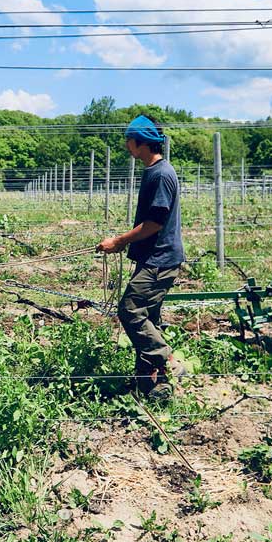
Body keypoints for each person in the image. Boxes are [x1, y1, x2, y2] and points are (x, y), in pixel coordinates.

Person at [97, 115, 186, 398]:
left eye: (129, 140)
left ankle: (168, 361)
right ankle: (153, 386)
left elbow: (155, 222)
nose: (126, 145)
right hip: (153, 257)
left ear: (140, 143)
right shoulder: (155, 170)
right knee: (149, 318)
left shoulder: (161, 174)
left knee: (131, 309)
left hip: (159, 260)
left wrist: (120, 241)